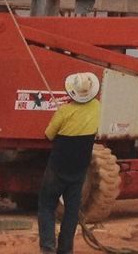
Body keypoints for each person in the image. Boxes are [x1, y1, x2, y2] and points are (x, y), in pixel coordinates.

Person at [39, 70, 102, 254]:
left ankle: (48, 248)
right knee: (72, 211)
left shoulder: (64, 112)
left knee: (47, 205)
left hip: (58, 167)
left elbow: (49, 135)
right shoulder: (97, 107)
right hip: (79, 169)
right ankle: (65, 250)